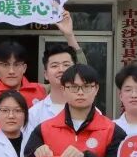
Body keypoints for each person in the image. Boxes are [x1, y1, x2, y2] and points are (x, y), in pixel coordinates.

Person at [22, 9, 89, 144]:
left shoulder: (90, 110)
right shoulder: (35, 113)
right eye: (54, 65)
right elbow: (27, 151)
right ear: (46, 74)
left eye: (66, 65)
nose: (61, 70)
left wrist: (69, 35)